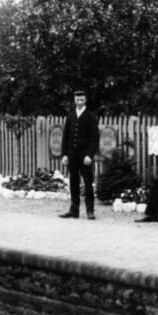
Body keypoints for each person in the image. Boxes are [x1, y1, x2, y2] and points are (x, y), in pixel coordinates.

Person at [59, 89, 100, 220]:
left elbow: (95, 138)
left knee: (88, 182)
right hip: (72, 154)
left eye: (82, 99)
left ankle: (90, 210)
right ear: (74, 100)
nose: (79, 102)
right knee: (73, 181)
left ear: (85, 100)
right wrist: (64, 154)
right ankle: (74, 209)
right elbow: (65, 136)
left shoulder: (91, 116)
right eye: (77, 100)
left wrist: (89, 155)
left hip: (85, 155)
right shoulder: (70, 116)